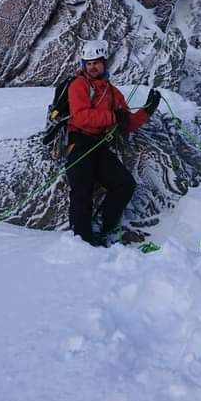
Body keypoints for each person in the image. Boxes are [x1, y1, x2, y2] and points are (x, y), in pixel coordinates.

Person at [66, 39, 161, 246]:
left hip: (98, 145)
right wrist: (113, 117)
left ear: (104, 63)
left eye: (96, 63)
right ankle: (81, 240)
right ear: (84, 65)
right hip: (79, 142)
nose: (92, 67)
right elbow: (81, 117)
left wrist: (147, 111)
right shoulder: (78, 85)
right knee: (82, 190)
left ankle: (105, 227)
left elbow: (127, 123)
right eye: (88, 63)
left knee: (124, 184)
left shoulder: (112, 92)